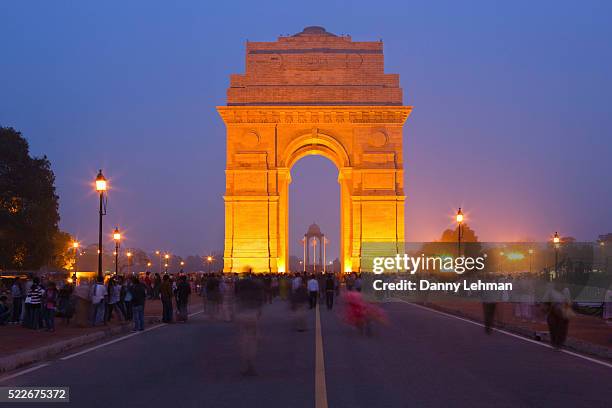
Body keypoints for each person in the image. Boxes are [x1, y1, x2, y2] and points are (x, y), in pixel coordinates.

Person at [235, 274, 264, 376]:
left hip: (242, 315)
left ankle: (246, 362)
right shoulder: (256, 293)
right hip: (252, 315)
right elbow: (260, 304)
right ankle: (250, 363)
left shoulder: (241, 293)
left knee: (244, 339)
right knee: (252, 340)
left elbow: (236, 303)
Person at [543, 281, 572, 349]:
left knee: (562, 328)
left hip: (563, 311)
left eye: (561, 284)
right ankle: (554, 341)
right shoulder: (550, 291)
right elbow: (545, 301)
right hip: (552, 311)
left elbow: (568, 301)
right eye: (558, 284)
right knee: (553, 327)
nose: (560, 285)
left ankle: (560, 342)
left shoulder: (566, 290)